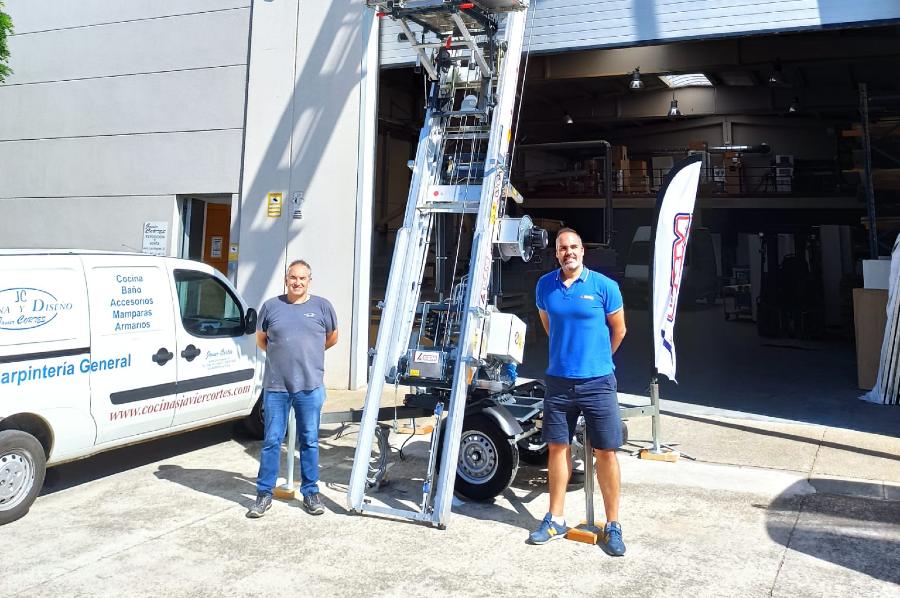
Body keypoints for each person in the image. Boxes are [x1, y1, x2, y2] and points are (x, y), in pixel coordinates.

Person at [529, 228, 628, 556]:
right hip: (558, 382)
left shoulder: (604, 287)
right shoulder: (545, 287)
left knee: (606, 452)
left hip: (598, 383)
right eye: (562, 248)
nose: (568, 252)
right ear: (556, 253)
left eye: (573, 247)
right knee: (557, 449)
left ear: (583, 251)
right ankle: (555, 518)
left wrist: (599, 359)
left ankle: (612, 524)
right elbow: (548, 325)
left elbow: (619, 329)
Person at [246, 259, 338, 518]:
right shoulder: (271, 307)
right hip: (276, 387)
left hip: (310, 386)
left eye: (302, 278)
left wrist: (308, 355)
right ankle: (264, 494)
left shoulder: (322, 307)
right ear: (286, 279)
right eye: (292, 278)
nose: (297, 282)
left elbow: (331, 337)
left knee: (309, 441)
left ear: (310, 280)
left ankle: (310, 493)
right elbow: (262, 340)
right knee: (272, 440)